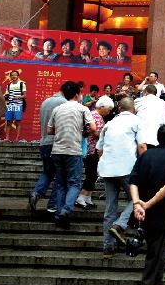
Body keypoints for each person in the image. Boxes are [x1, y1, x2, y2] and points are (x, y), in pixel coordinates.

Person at [130, 124, 165, 285]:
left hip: (141, 211)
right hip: (159, 211)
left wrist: (137, 204)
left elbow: (133, 181)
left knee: (158, 250)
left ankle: (157, 284)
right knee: (156, 251)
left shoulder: (145, 155)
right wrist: (147, 205)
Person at [96, 97, 146, 257]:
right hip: (127, 167)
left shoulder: (109, 123)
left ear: (119, 109)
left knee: (110, 209)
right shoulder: (136, 121)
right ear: (133, 109)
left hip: (107, 169)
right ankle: (120, 224)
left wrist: (104, 162)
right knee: (138, 198)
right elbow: (142, 146)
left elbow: (99, 149)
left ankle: (108, 248)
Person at [47, 81, 96, 229]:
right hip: (73, 150)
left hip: (57, 150)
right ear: (77, 94)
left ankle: (59, 216)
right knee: (74, 183)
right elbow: (93, 128)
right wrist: (83, 132)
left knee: (60, 184)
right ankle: (66, 211)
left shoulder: (57, 109)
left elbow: (49, 130)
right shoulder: (82, 109)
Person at [29, 84, 68, 214]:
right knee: (61, 175)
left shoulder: (45, 102)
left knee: (47, 172)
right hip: (57, 143)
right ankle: (53, 204)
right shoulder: (64, 103)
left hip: (44, 142)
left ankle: (36, 193)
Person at [75, 95, 114, 210]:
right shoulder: (95, 116)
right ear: (102, 107)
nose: (109, 112)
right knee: (91, 174)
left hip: (93, 149)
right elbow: (95, 132)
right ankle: (81, 198)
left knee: (93, 174)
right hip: (91, 149)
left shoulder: (96, 115)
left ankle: (87, 198)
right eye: (108, 109)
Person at [134, 84, 165, 151]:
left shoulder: (138, 101)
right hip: (159, 138)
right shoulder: (164, 104)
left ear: (145, 92)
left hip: (142, 138)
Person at [3, 70, 26, 142]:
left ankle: (17, 138)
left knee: (18, 122)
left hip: (18, 105)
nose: (14, 76)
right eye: (12, 75)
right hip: (9, 105)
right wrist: (5, 97)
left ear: (18, 76)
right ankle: (7, 138)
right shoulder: (9, 85)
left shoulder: (22, 84)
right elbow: (7, 95)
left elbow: (25, 95)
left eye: (15, 75)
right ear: (10, 76)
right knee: (8, 122)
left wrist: (17, 97)